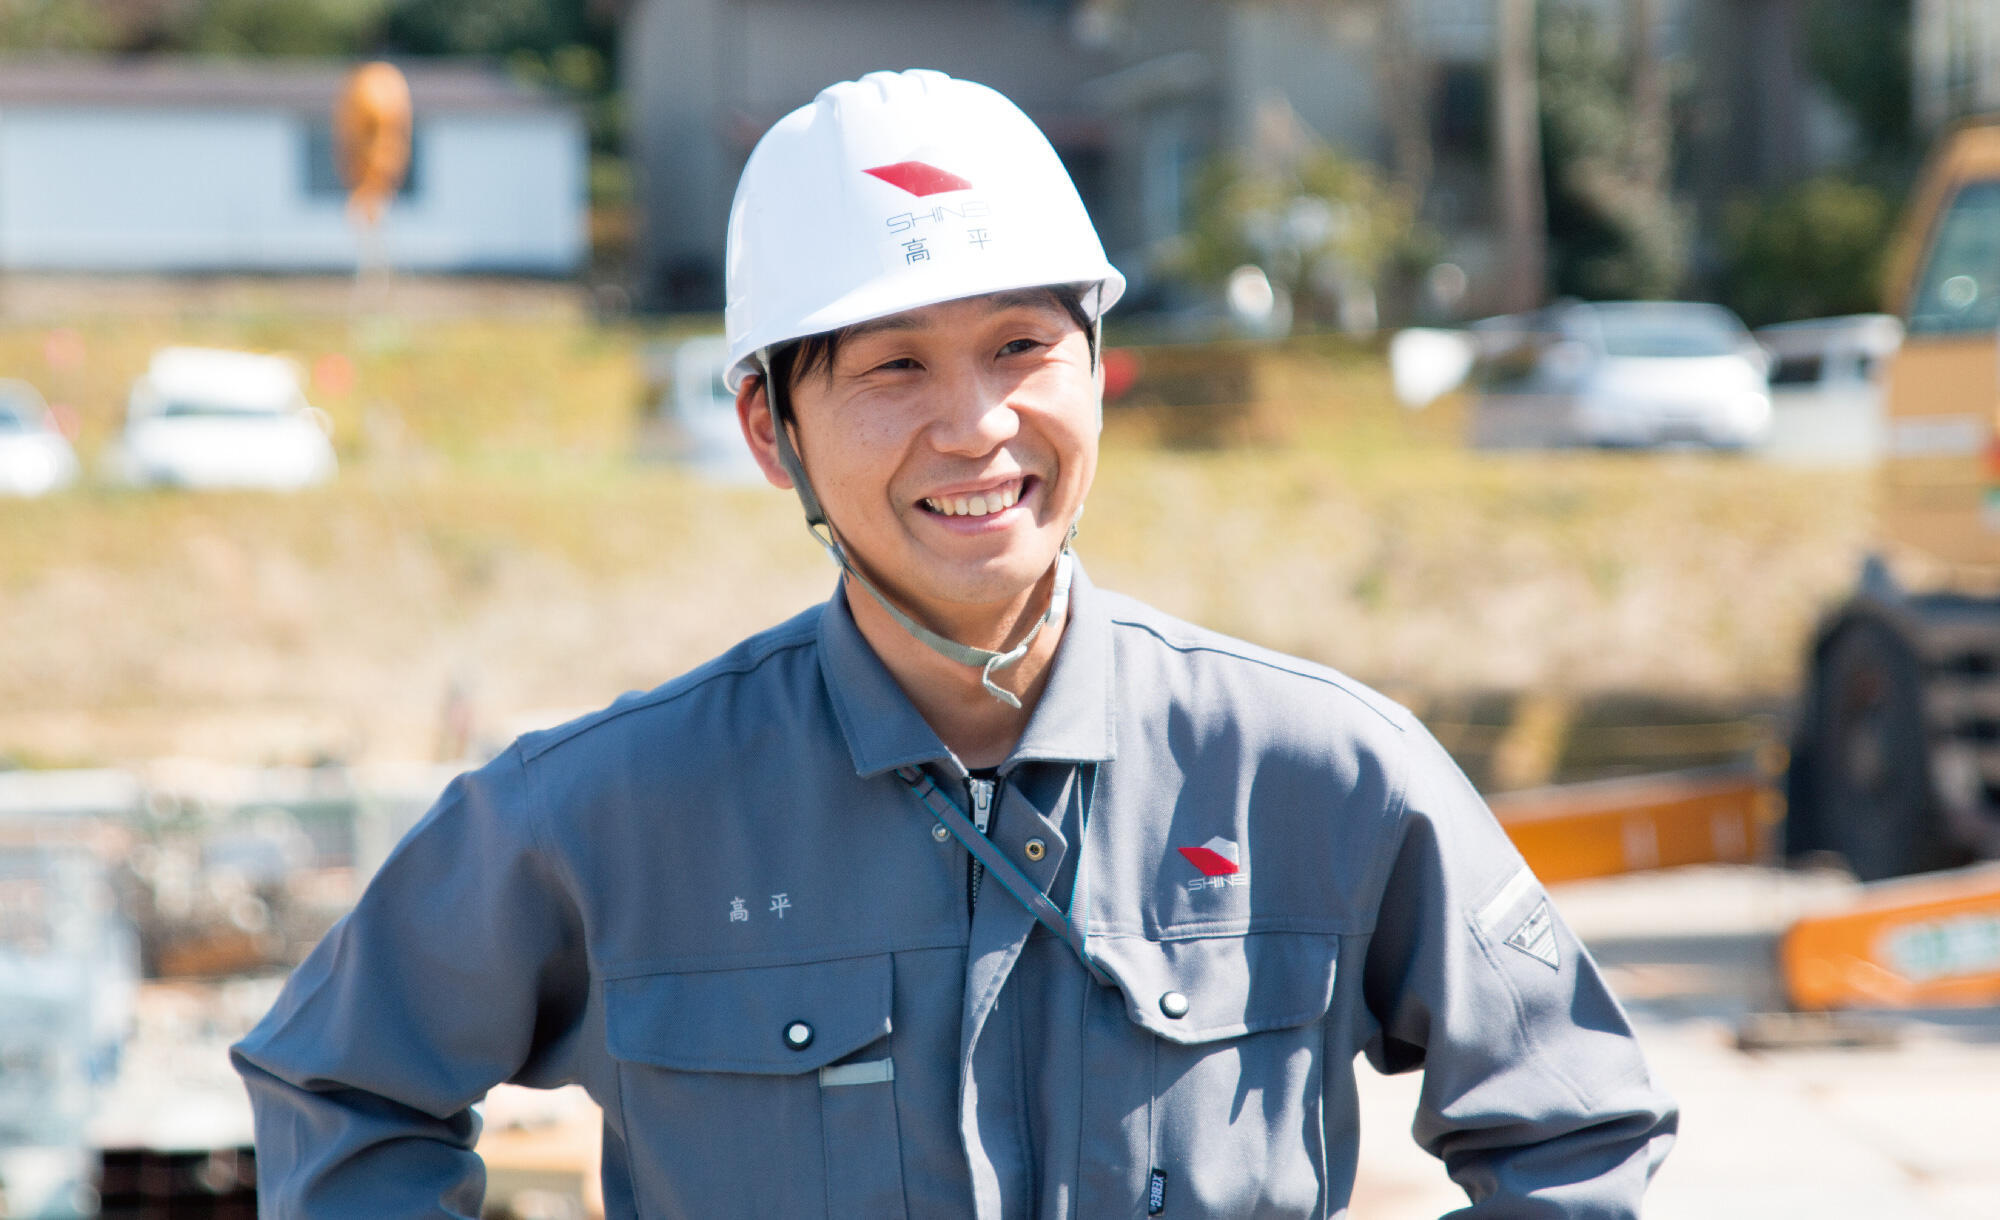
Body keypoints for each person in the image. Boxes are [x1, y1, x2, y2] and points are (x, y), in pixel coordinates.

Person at [232, 69, 1676, 1218]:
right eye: (892, 366)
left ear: (1099, 375)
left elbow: (1579, 1125)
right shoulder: (610, 814)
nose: (975, 425)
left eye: (1019, 348)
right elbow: (339, 1090)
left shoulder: (1320, 772)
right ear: (768, 430)